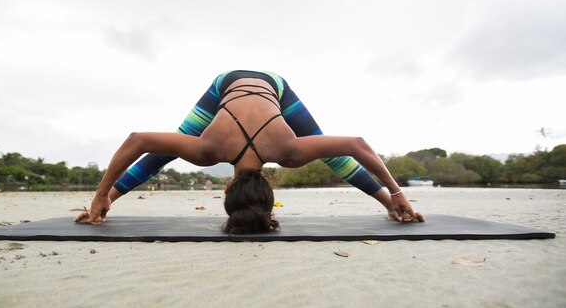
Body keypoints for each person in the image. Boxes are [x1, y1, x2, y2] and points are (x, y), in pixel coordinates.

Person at [74, 70, 423, 233]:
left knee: (171, 146)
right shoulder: (210, 151)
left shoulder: (287, 153)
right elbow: (356, 145)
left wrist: (395, 194)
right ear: (228, 189)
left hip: (244, 84)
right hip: (260, 87)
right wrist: (104, 194)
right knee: (172, 145)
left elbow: (356, 145)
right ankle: (387, 203)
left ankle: (388, 203)